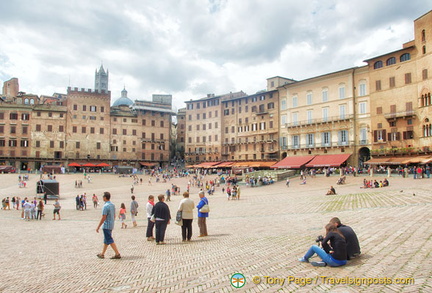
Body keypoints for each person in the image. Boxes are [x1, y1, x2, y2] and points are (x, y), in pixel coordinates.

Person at [96, 191, 121, 259]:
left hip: (106, 225)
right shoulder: (112, 205)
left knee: (109, 239)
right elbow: (114, 215)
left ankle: (117, 253)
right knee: (106, 240)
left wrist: (98, 226)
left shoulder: (105, 206)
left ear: (105, 198)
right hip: (111, 224)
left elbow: (104, 217)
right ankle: (102, 254)